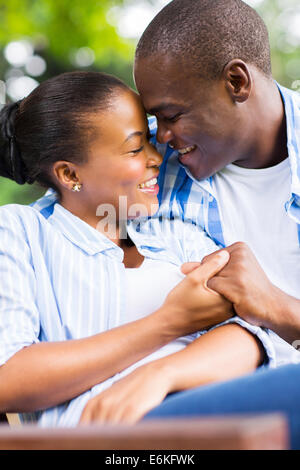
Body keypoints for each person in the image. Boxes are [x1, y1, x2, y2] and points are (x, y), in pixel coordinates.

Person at [1, 70, 285, 427]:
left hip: (213, 412)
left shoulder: (174, 234)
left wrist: (159, 376)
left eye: (149, 142)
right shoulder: (21, 233)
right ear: (70, 175)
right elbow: (7, 377)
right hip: (111, 431)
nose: (156, 157)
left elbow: (251, 336)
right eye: (136, 148)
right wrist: (167, 323)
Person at [130, 0, 300, 449]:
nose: (160, 135)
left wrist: (279, 307)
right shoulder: (144, 164)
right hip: (182, 406)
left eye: (171, 115)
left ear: (236, 81)